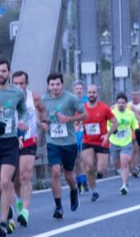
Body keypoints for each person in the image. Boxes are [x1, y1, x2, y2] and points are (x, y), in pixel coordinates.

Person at [0, 59, 28, 237]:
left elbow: (23, 110)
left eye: (4, 71)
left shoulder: (17, 92)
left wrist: (22, 121)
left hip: (10, 141)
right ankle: (7, 206)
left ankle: (3, 222)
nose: (1, 74)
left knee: (5, 182)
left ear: (9, 73)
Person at [39, 73, 88, 219]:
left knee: (68, 174)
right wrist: (43, 123)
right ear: (48, 86)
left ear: (62, 84)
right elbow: (40, 115)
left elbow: (84, 115)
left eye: (58, 84)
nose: (55, 87)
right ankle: (58, 206)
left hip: (69, 142)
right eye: (52, 84)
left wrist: (69, 119)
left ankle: (74, 189)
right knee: (55, 171)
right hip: (53, 142)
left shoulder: (71, 98)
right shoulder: (44, 100)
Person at [11, 70, 46, 227]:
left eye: (22, 83)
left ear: (27, 84)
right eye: (16, 83)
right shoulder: (7, 97)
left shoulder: (34, 97)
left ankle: (25, 211)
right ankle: (19, 200)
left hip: (29, 140)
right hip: (12, 141)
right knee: (15, 178)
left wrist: (43, 122)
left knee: (25, 175)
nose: (19, 86)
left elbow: (42, 109)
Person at [81, 84, 117, 202]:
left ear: (97, 94)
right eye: (89, 92)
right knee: (88, 167)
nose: (91, 95)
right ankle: (94, 190)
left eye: (94, 92)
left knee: (101, 170)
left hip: (101, 141)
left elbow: (115, 123)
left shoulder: (104, 108)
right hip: (87, 141)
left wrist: (108, 135)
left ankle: (97, 173)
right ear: (87, 94)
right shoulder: (82, 108)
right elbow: (76, 122)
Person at [109, 93, 139, 195]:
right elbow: (107, 124)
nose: (121, 104)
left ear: (126, 104)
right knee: (116, 164)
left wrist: (136, 129)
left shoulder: (130, 114)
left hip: (126, 142)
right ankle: (125, 176)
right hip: (114, 141)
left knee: (125, 162)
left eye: (123, 103)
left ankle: (124, 186)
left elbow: (134, 123)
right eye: (119, 103)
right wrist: (111, 130)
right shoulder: (112, 113)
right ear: (116, 104)